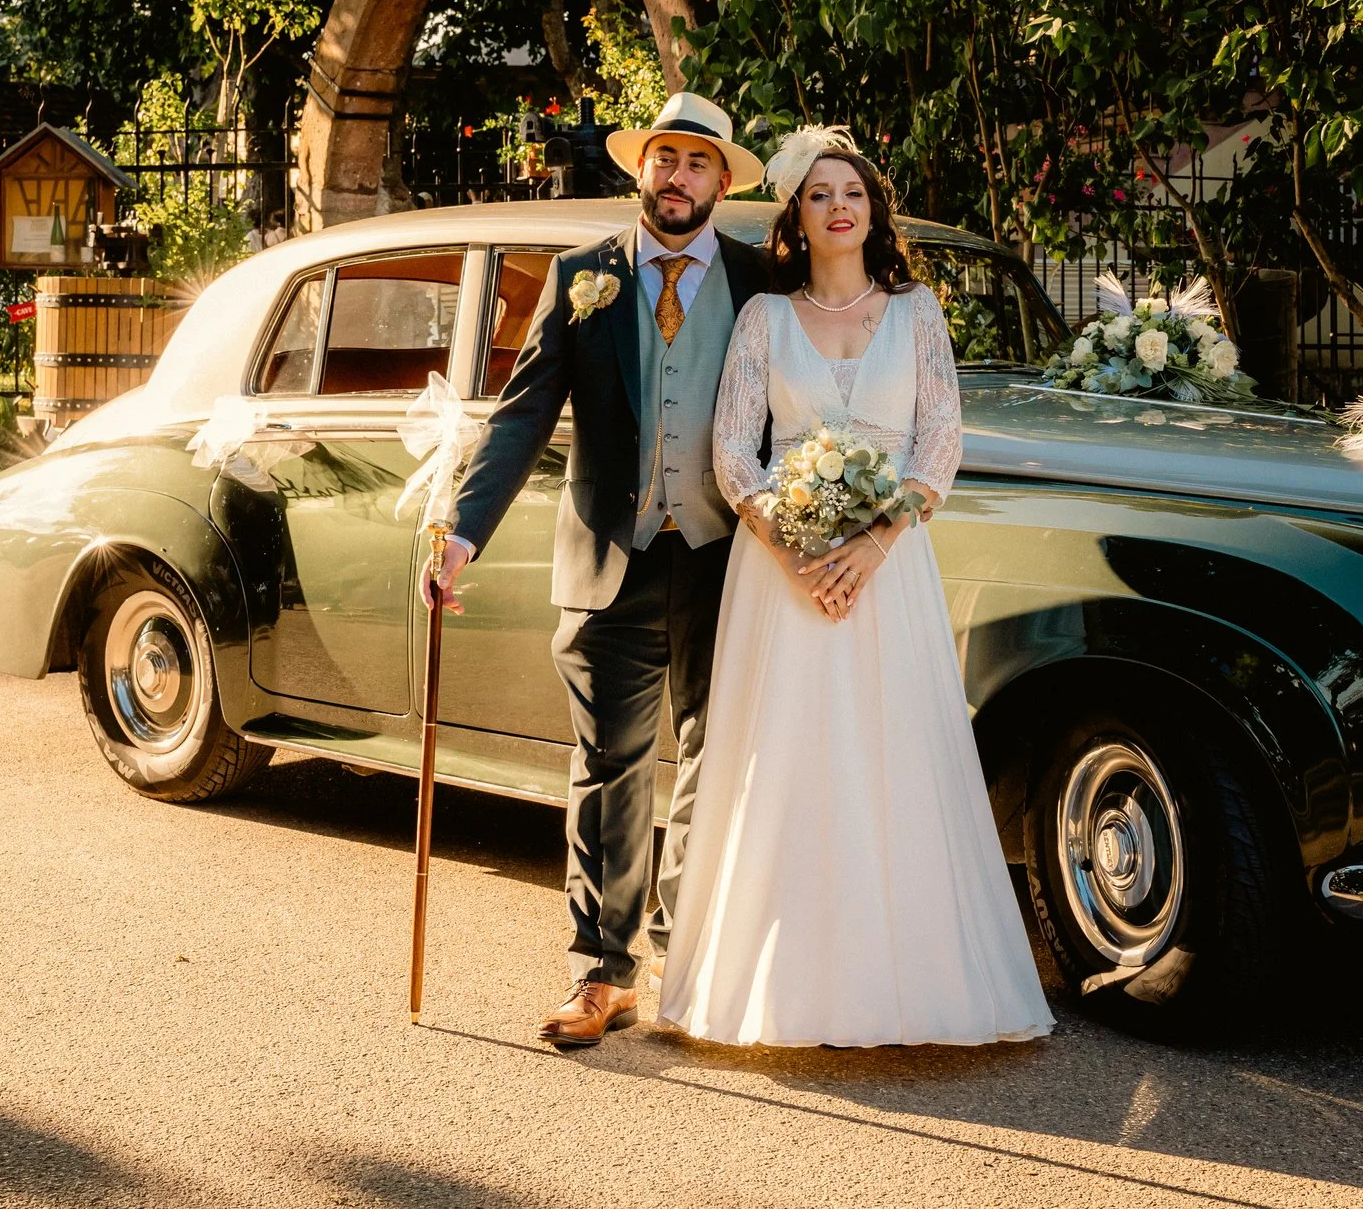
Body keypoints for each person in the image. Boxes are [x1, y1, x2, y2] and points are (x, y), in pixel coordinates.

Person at [657, 128, 1054, 1047]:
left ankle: (907, 983)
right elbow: (731, 451)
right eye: (820, 194)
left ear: (874, 214)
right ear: (797, 216)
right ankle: (775, 987)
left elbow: (939, 445)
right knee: (788, 763)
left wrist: (872, 546)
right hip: (780, 575)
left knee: (894, 759)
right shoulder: (763, 321)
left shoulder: (918, 315)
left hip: (889, 569)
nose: (840, 206)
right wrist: (792, 552)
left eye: (856, 193)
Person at [431, 92, 776, 1047]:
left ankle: (681, 950)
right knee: (610, 763)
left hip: (726, 556)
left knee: (717, 757)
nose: (678, 176)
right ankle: (602, 969)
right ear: (641, 169)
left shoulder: (759, 282)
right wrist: (462, 531)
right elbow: (523, 414)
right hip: (610, 559)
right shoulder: (580, 275)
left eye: (697, 162)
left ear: (720, 181)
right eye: (664, 157)